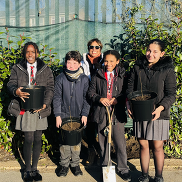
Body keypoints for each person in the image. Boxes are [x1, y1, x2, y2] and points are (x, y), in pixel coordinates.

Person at [126, 39, 176, 182]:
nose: (150, 54)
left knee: (158, 146)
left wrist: (160, 108)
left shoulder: (167, 70)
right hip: (140, 111)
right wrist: (129, 104)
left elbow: (171, 94)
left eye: (155, 51)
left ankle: (159, 176)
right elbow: (130, 88)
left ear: (162, 53)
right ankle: (145, 175)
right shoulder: (138, 67)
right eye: (149, 50)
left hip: (159, 114)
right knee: (143, 144)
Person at [7, 42, 54, 182]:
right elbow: (10, 84)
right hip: (25, 109)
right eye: (27, 52)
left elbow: (51, 88)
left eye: (33, 52)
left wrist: (45, 104)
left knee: (38, 138)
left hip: (40, 109)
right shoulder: (17, 68)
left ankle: (35, 168)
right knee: (28, 138)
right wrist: (16, 91)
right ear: (24, 54)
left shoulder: (45, 69)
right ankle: (27, 170)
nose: (30, 54)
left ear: (37, 53)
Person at [87, 50, 131, 181]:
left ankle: (123, 168)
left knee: (119, 142)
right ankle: (106, 167)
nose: (108, 63)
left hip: (116, 113)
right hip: (101, 113)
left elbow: (126, 92)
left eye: (112, 61)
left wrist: (118, 99)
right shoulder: (98, 74)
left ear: (117, 61)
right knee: (103, 142)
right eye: (106, 61)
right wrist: (99, 99)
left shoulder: (123, 75)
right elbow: (90, 93)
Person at [53, 51, 90, 177]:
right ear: (65, 63)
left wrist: (84, 114)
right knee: (64, 142)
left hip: (78, 116)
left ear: (79, 64)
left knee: (76, 142)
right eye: (69, 62)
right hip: (63, 116)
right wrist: (58, 115)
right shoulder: (60, 78)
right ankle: (64, 165)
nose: (71, 65)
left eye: (75, 63)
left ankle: (75, 164)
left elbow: (87, 98)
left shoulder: (84, 79)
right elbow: (57, 97)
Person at [81, 38, 103, 166]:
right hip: (86, 98)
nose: (93, 49)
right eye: (91, 47)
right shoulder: (82, 60)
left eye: (96, 47)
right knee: (88, 127)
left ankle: (102, 153)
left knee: (100, 126)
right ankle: (91, 152)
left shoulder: (105, 60)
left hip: (101, 98)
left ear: (100, 49)